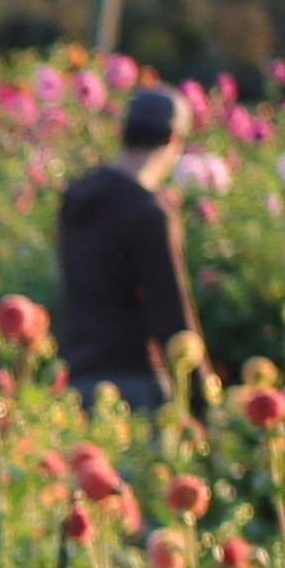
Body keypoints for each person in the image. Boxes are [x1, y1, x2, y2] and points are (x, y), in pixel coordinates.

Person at [51, 86, 202, 410]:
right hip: (133, 384)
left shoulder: (77, 200)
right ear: (173, 139)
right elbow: (171, 314)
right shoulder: (147, 212)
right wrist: (202, 403)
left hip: (77, 380)